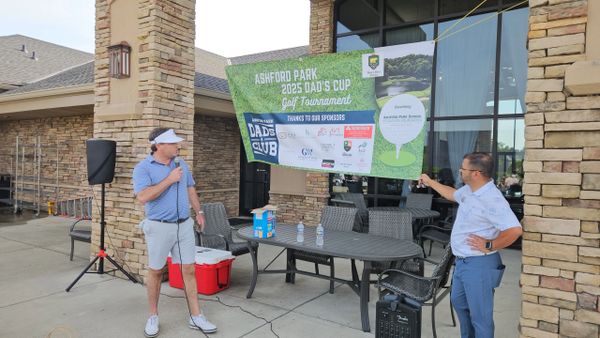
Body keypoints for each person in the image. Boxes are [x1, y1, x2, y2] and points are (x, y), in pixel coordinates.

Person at [419, 152, 522, 338]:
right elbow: (452, 194)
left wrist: (490, 244)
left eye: (462, 169)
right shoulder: (469, 190)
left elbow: (514, 230)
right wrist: (430, 182)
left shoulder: (492, 199)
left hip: (480, 264)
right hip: (462, 262)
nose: (459, 171)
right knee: (459, 303)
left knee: (480, 317)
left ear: (476, 172)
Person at [133, 128, 217, 337]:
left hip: (184, 225)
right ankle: (153, 315)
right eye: (173, 144)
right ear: (159, 145)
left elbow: (190, 189)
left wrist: (199, 211)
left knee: (189, 269)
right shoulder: (143, 168)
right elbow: (143, 197)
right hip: (159, 226)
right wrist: (169, 180)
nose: (178, 146)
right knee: (156, 271)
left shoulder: (181, 165)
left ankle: (196, 316)